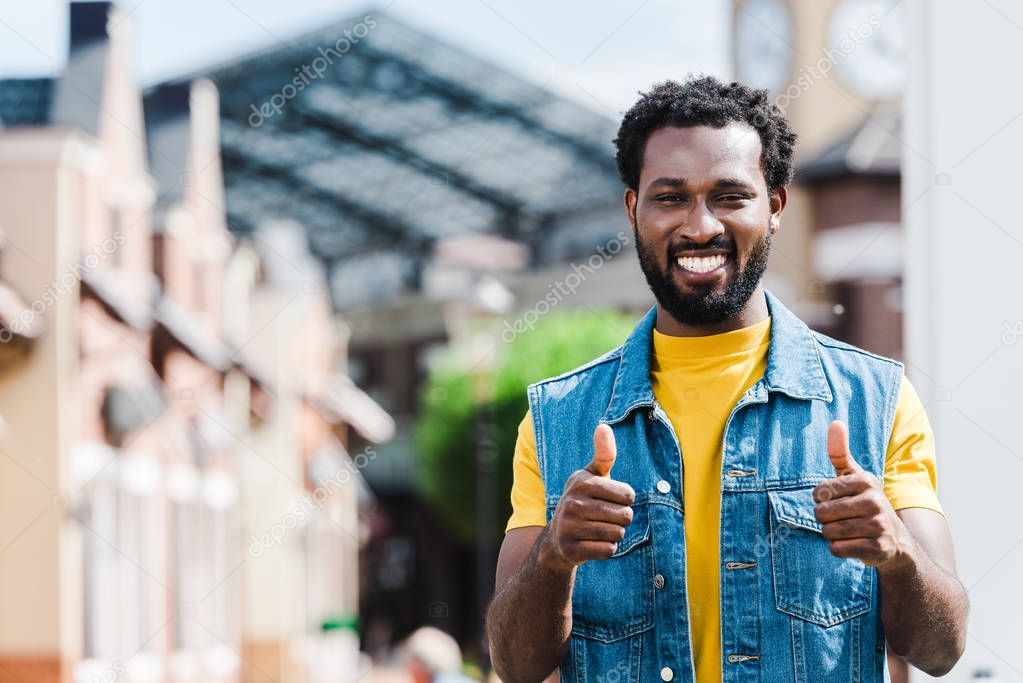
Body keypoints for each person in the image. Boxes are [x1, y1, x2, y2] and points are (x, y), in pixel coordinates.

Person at [486, 76, 968, 682]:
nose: (699, 226)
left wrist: (895, 552)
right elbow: (514, 666)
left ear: (775, 206)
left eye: (730, 195)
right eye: (670, 197)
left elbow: (942, 650)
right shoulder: (560, 420)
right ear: (634, 210)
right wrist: (554, 556)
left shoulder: (877, 401)